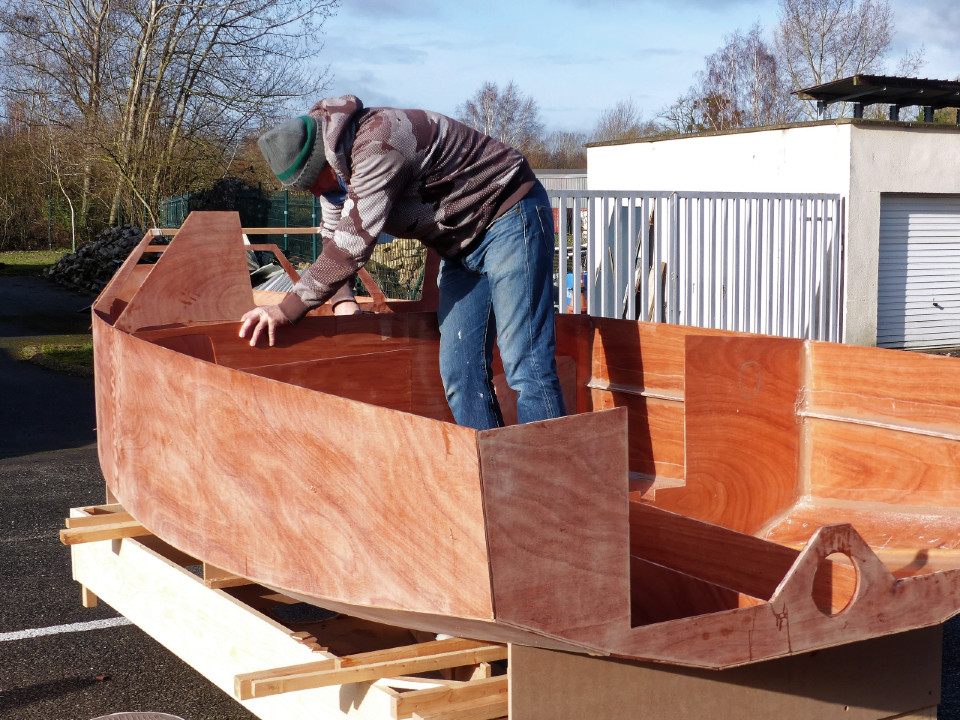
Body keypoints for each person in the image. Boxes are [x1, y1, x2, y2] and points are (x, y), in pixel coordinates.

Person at [240, 95, 565, 431]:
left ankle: (553, 476)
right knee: (460, 374)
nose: (311, 194)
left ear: (321, 162)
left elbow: (351, 246)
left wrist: (287, 309)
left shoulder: (378, 142)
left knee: (524, 361)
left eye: (309, 185)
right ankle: (495, 471)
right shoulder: (335, 167)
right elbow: (333, 235)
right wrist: (343, 302)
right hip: (458, 244)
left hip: (507, 214)